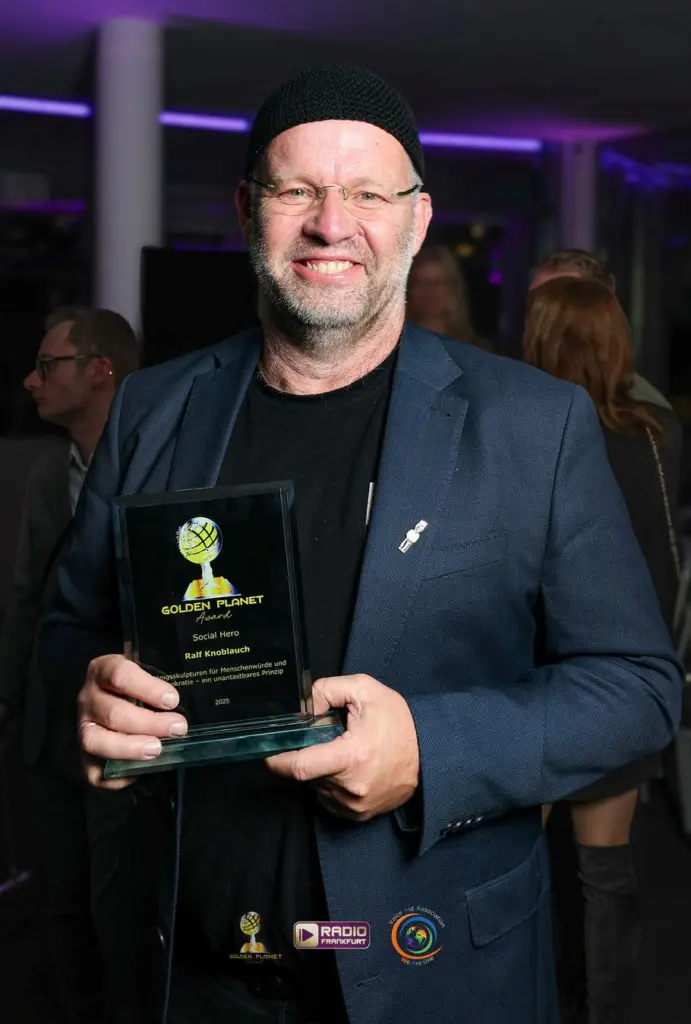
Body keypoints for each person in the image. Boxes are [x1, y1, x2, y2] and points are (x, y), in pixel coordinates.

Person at [38, 65, 682, 1024]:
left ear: (417, 219)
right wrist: (88, 691)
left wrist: (432, 748)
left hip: (431, 974)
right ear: (248, 210)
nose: (331, 223)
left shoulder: (530, 424)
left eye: (368, 194)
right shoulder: (153, 409)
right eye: (297, 189)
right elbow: (66, 631)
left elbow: (637, 688)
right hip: (192, 972)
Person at [523, 276, 682, 1024]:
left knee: (517, 869)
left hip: (536, 681)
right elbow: (663, 563)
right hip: (621, 677)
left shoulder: (527, 436)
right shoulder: (654, 436)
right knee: (606, 872)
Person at [0, 306, 140, 1024]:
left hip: (130, 734)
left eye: (48, 365)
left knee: (123, 906)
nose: (31, 381)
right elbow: (26, 601)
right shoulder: (49, 477)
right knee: (61, 902)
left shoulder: (160, 462)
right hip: (51, 728)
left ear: (98, 371)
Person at [530, 249, 671, 410]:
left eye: (558, 307)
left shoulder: (643, 411)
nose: (539, 322)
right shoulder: (518, 389)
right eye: (534, 307)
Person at [407, 244, 493, 350]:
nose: (428, 292)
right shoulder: (398, 346)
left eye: (435, 283)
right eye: (420, 283)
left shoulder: (474, 348)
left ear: (452, 288)